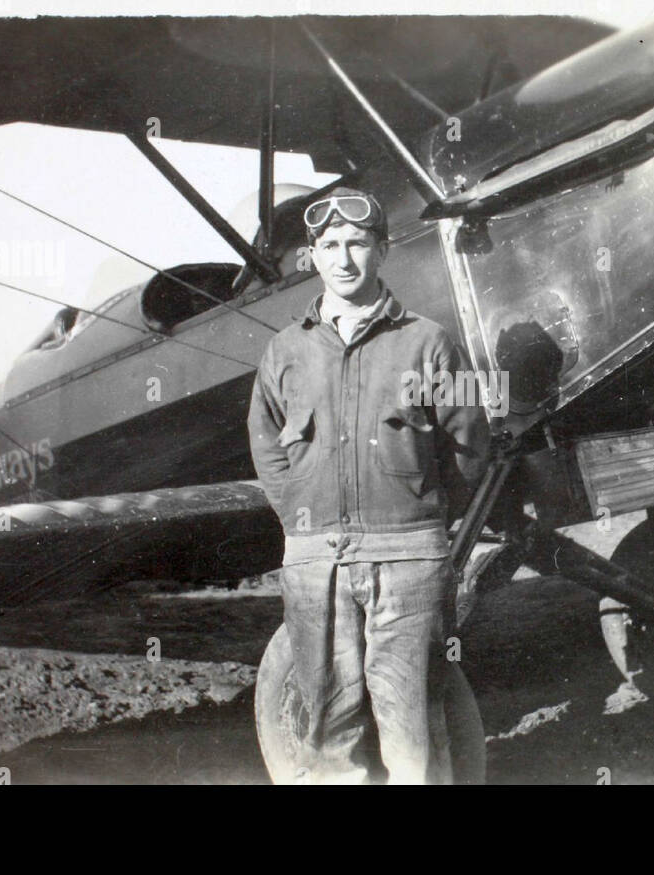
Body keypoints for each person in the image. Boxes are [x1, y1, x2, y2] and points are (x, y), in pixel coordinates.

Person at [246, 186, 490, 784]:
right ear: (313, 256)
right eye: (329, 245)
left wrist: (416, 517)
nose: (343, 258)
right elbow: (267, 448)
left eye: (357, 243)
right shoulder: (284, 350)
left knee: (413, 728)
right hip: (314, 566)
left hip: (408, 561)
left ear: (383, 249)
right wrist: (303, 520)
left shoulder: (429, 342)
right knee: (329, 730)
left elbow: (469, 448)